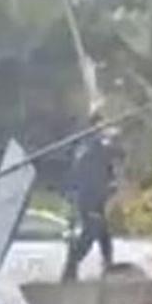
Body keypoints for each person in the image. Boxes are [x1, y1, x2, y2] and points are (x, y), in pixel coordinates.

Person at [62, 111, 119, 282]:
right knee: (92, 229)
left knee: (103, 232)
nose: (107, 128)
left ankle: (108, 263)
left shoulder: (87, 145)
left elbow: (107, 168)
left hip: (94, 194)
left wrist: (111, 182)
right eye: (104, 124)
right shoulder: (94, 145)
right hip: (90, 195)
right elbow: (100, 164)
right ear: (96, 126)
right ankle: (72, 264)